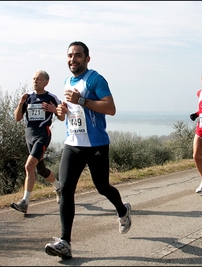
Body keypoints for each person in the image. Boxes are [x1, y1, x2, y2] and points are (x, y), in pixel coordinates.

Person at [44, 41, 131, 259]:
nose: (73, 59)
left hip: (96, 145)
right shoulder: (66, 81)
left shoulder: (95, 79)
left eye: (78, 55)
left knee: (102, 187)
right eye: (70, 56)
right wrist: (61, 110)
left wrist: (82, 100)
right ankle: (65, 241)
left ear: (87, 58)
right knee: (65, 190)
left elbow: (110, 108)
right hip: (73, 143)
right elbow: (66, 115)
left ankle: (122, 210)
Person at [11, 70, 65, 214]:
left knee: (29, 166)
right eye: (34, 78)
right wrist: (21, 102)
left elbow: (61, 117)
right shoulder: (28, 97)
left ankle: (25, 202)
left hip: (42, 135)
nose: (35, 81)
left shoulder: (50, 97)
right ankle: (58, 187)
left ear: (46, 82)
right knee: (40, 169)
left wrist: (54, 109)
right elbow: (17, 118)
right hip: (29, 135)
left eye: (38, 79)